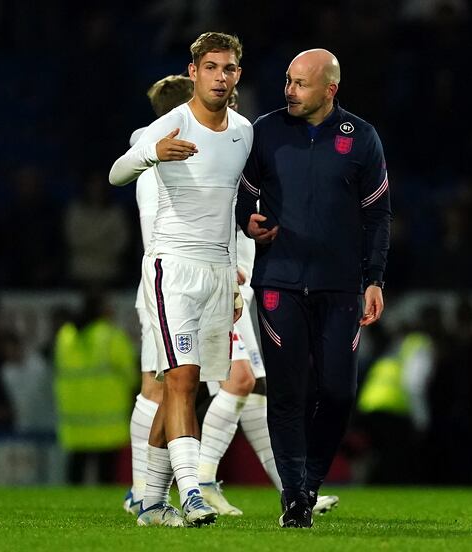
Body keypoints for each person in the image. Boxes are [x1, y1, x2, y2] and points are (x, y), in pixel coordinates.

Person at [236, 48, 391, 528]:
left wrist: (374, 279)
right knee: (287, 393)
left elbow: (377, 215)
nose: (289, 90)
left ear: (330, 89)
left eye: (300, 83)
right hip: (278, 283)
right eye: (287, 80)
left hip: (341, 288)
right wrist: (249, 220)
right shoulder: (265, 131)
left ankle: (309, 483)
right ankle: (295, 497)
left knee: (339, 394)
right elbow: (241, 192)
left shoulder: (361, 138)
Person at [109, 32, 251, 527]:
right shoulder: (170, 123)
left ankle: (150, 502)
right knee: (180, 380)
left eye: (228, 68)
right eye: (210, 67)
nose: (220, 76)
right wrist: (152, 154)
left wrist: (235, 280)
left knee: (183, 389)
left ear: (237, 75)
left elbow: (232, 204)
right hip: (173, 268)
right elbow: (116, 172)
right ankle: (191, 491)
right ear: (194, 72)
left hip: (217, 272)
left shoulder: (244, 132)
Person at [196, 89, 339, 518]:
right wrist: (224, 266)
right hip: (221, 286)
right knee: (239, 382)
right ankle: (199, 483)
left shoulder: (248, 152)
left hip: (244, 287)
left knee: (257, 390)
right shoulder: (209, 155)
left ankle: (292, 489)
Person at [122, 74, 195, 515]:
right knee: (158, 387)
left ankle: (144, 490)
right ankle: (144, 492)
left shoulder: (153, 156)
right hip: (167, 282)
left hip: (165, 280)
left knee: (161, 384)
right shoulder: (158, 162)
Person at [53, 290, 137, 484]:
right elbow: (131, 375)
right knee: (105, 478)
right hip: (108, 423)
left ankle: (68, 513)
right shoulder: (110, 336)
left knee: (75, 475)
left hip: (75, 422)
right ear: (103, 310)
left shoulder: (65, 336)